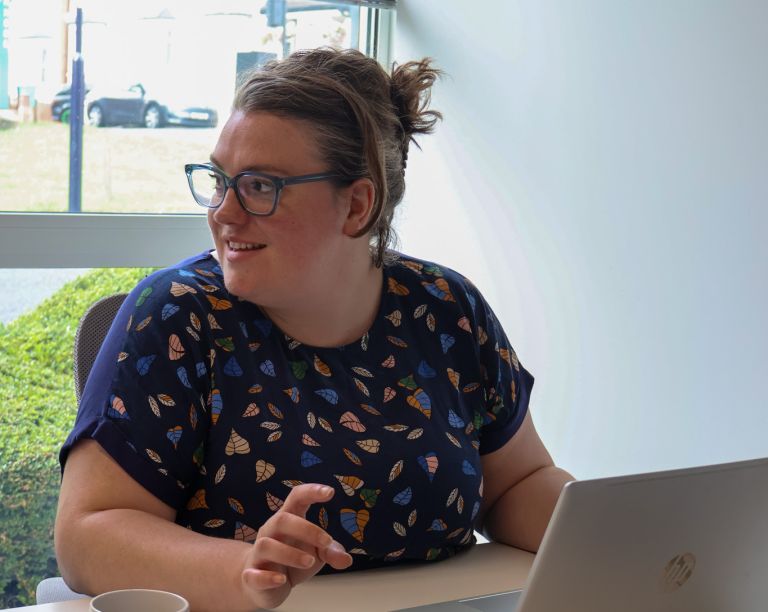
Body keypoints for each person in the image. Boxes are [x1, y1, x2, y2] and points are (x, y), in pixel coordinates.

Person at [56, 48, 573, 611]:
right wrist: (243, 571)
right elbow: (87, 535)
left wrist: (622, 533)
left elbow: (517, 485)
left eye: (259, 186)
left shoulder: (447, 309)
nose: (224, 212)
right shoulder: (178, 317)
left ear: (357, 206)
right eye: (219, 179)